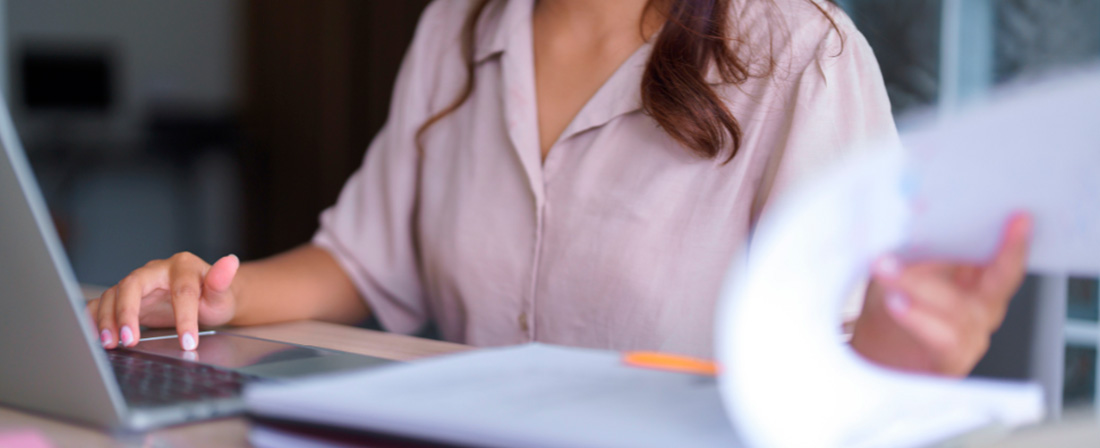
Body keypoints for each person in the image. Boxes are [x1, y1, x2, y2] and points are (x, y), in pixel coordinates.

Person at [87, 0, 1030, 377]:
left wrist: (906, 348)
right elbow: (361, 260)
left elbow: (852, 359)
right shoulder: (460, 26)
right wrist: (210, 297)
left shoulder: (801, 54)